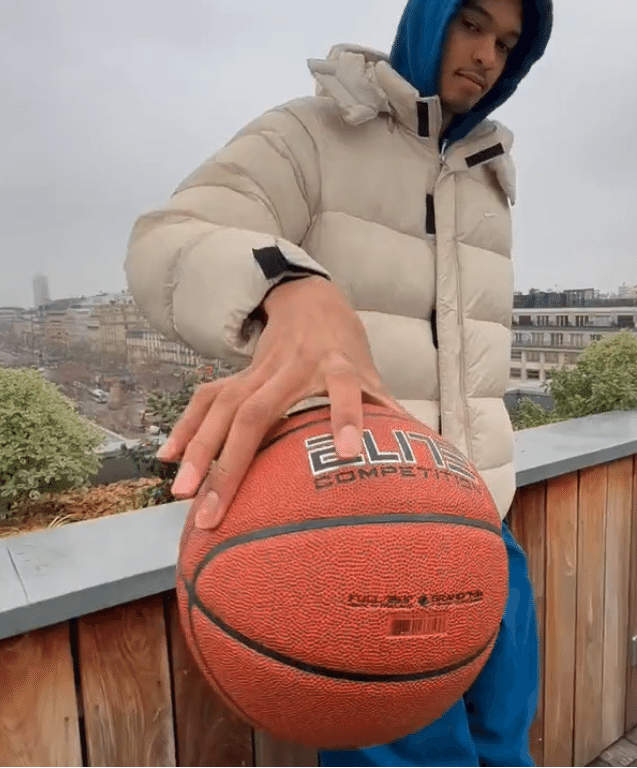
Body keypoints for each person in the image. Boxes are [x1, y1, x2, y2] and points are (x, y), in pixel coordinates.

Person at [125, 0, 552, 764]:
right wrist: (286, 283)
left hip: (483, 524)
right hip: (362, 542)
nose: (487, 54)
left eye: (508, 43)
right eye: (472, 23)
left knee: (506, 743)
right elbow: (170, 240)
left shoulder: (489, 177)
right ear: (429, 19)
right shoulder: (311, 134)